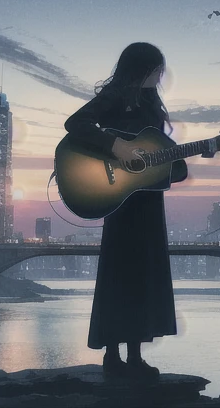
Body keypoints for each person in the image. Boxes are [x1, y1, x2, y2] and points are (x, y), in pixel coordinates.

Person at [64, 42, 187, 379]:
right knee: (120, 275)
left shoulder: (150, 104)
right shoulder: (115, 96)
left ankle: (134, 355)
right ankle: (112, 356)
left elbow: (157, 153)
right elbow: (76, 123)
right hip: (119, 199)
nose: (160, 75)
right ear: (141, 69)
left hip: (147, 199)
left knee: (144, 275)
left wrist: (187, 157)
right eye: (156, 69)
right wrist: (116, 146)